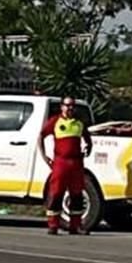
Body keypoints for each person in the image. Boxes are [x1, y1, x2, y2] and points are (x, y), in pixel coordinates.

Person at [38, 96, 93, 235]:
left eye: (72, 106)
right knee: (56, 192)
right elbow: (41, 136)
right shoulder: (55, 121)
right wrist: (45, 157)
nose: (70, 108)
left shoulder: (79, 123)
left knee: (76, 194)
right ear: (62, 106)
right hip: (61, 162)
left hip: (76, 163)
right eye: (67, 105)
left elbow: (87, 138)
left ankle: (76, 225)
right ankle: (53, 225)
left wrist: (89, 148)